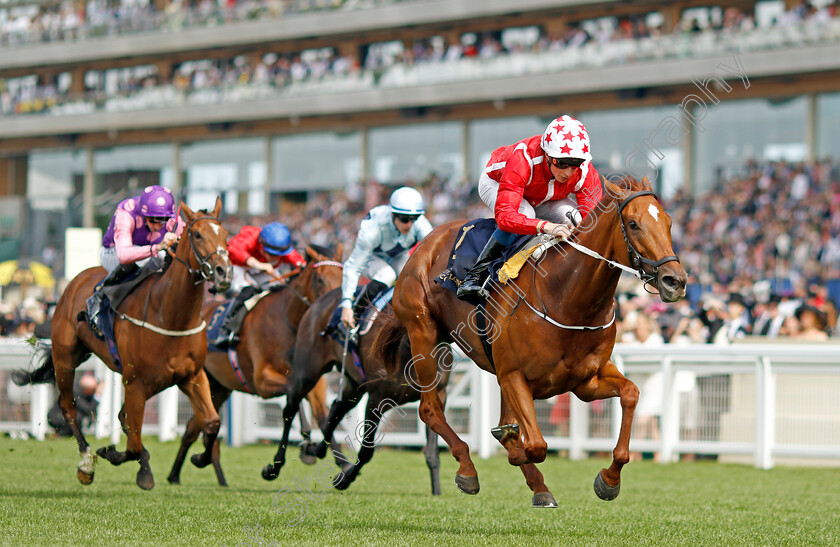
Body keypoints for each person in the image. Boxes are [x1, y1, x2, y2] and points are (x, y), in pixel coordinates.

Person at [458, 115, 603, 297]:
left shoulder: (585, 171)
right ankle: (475, 276)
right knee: (526, 212)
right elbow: (505, 218)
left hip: (543, 194)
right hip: (496, 182)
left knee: (574, 219)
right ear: (547, 155)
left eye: (575, 164)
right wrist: (547, 226)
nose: (568, 172)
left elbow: (595, 224)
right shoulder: (523, 159)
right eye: (562, 163)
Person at [87, 185, 185, 330]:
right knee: (156, 256)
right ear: (144, 214)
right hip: (112, 253)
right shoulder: (126, 212)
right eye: (153, 220)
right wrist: (156, 247)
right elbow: (123, 255)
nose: (158, 226)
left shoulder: (174, 221)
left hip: (146, 258)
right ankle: (99, 295)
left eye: (163, 220)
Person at [340, 187, 433, 330]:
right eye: (404, 219)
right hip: (372, 257)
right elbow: (353, 267)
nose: (409, 224)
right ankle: (356, 315)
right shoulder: (373, 228)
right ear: (393, 215)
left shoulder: (420, 223)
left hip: (398, 256)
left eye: (413, 219)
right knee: (387, 275)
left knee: (414, 275)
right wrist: (346, 305)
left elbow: (434, 251)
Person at [213, 222, 306, 347]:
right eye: (271, 254)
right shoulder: (251, 235)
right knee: (249, 289)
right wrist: (260, 265)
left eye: (278, 256)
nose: (274, 258)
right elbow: (233, 249)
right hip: (235, 266)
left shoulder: (281, 247)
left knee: (279, 287)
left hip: (258, 269)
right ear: (261, 244)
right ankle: (226, 329)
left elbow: (300, 262)